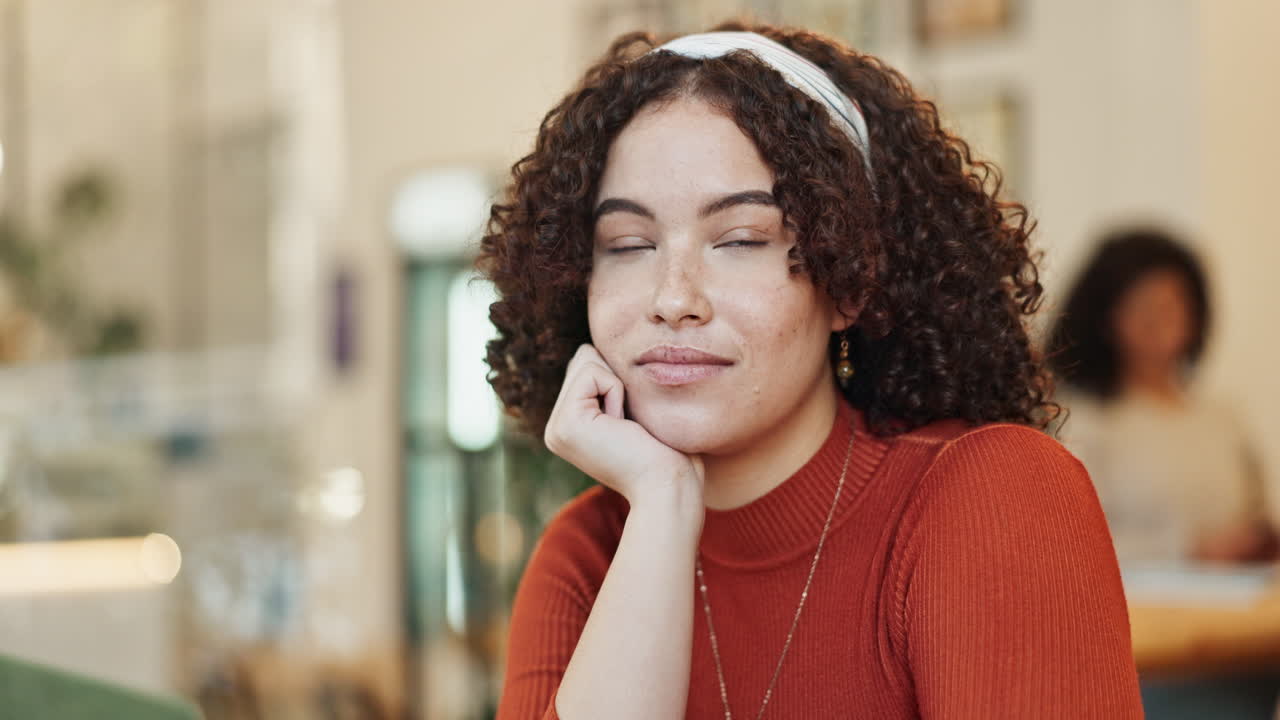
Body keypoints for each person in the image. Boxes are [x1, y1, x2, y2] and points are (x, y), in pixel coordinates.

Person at [477, 21, 1142, 719]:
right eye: (627, 244)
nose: (673, 299)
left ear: (847, 282)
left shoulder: (992, 498)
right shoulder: (588, 558)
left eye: (740, 240)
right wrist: (666, 502)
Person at [1047, 229, 1275, 567]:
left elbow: (1258, 514)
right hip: (1140, 610)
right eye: (1142, 306)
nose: (1159, 320)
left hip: (1236, 610)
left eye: (1172, 304)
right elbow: (1069, 542)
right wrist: (1189, 549)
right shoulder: (1079, 420)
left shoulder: (1223, 418)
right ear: (1105, 319)